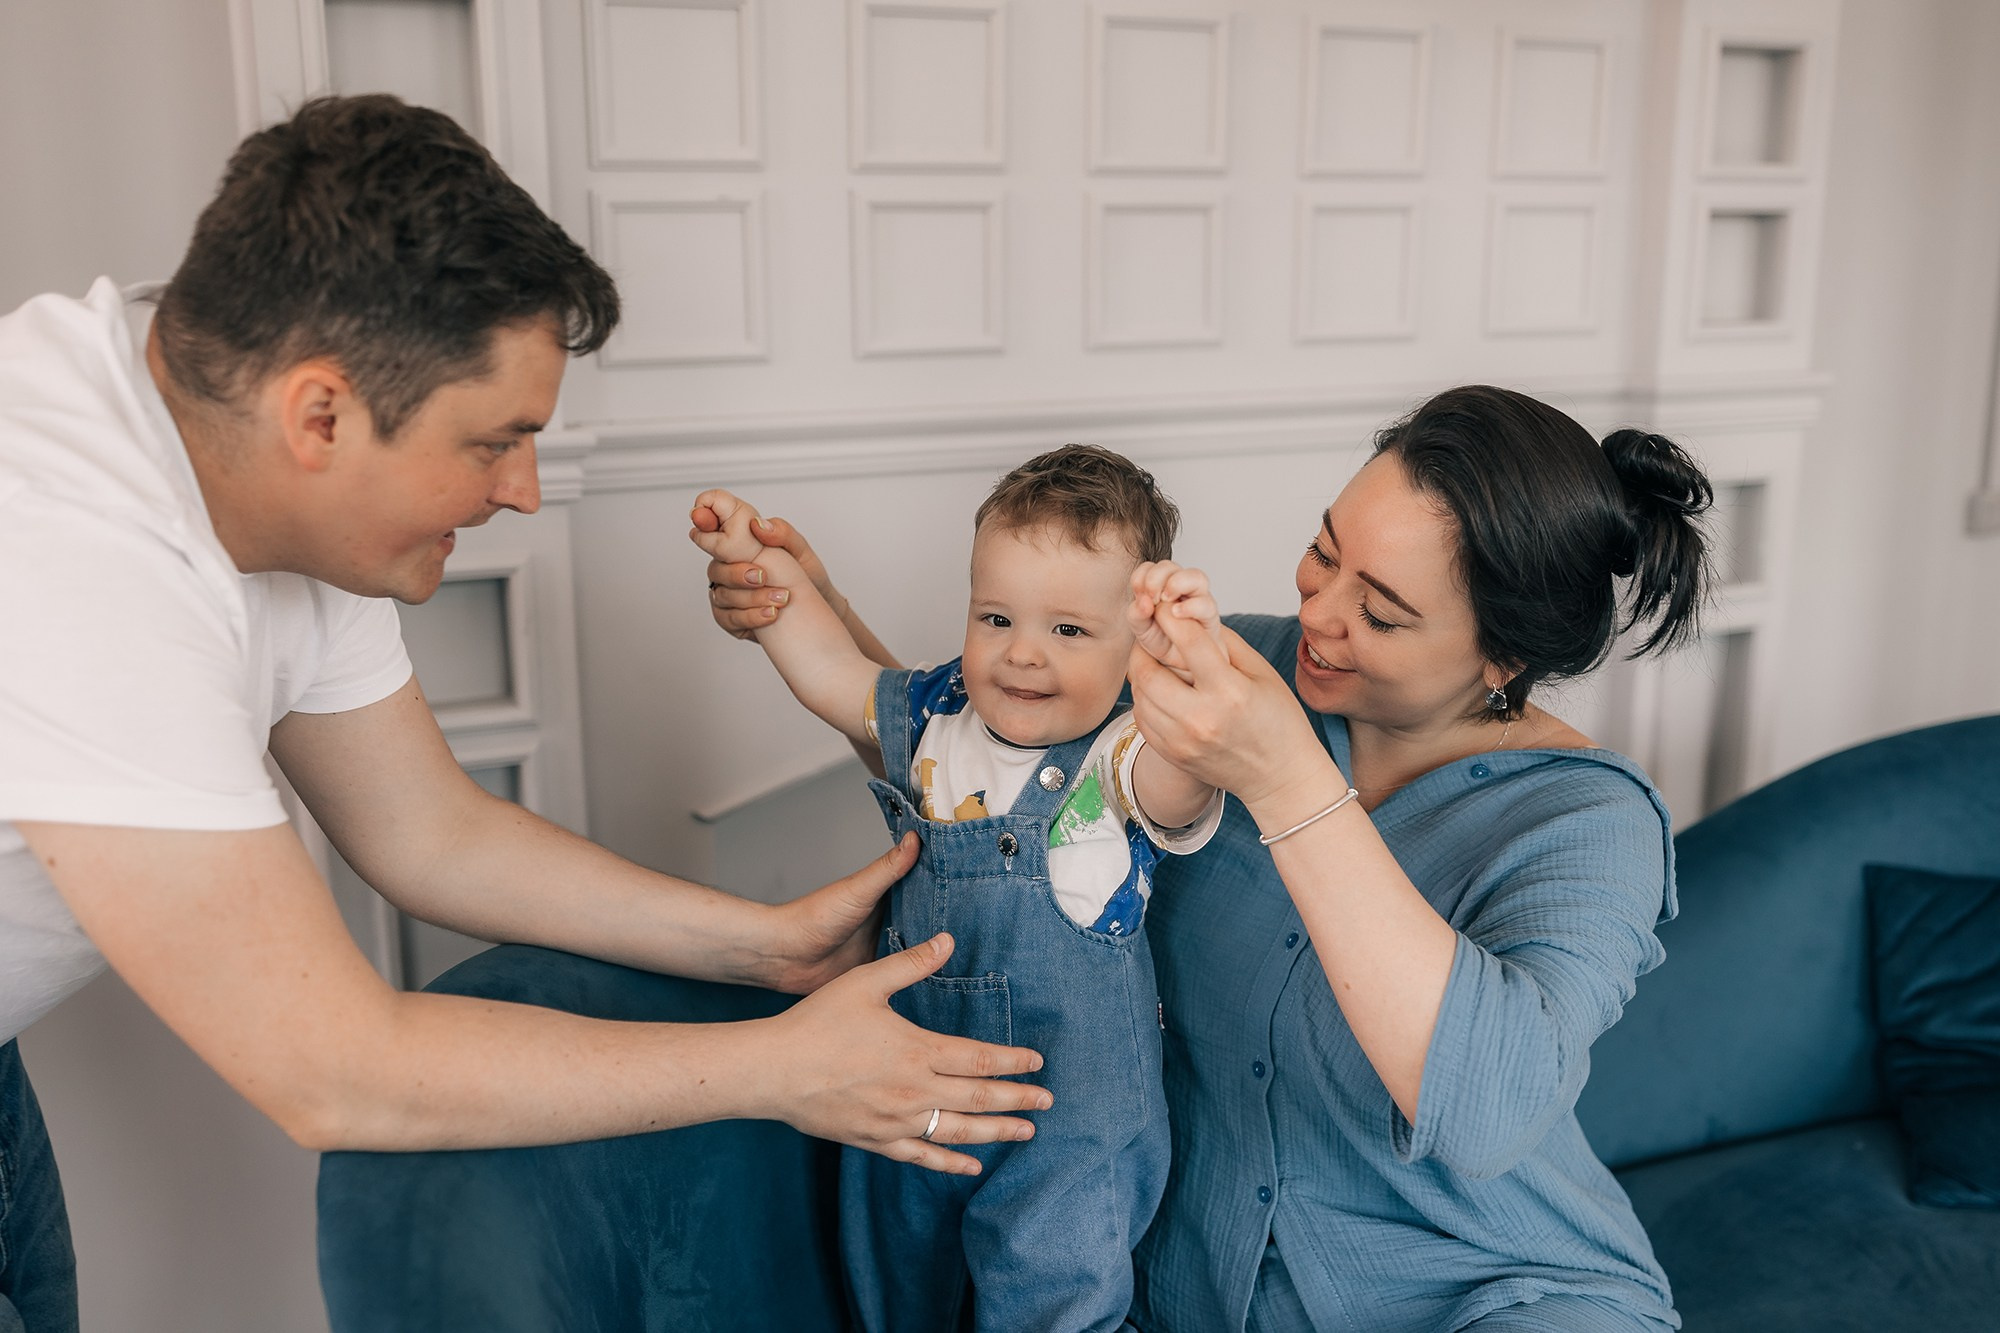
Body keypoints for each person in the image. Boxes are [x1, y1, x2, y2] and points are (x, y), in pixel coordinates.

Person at [0, 94, 1048, 1329]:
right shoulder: (69, 558)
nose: (525, 491)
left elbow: (426, 833)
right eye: (495, 441)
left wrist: (761, 946)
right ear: (321, 415)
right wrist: (782, 1070)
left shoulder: (257, 465)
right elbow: (333, 1072)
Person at [706, 384, 1712, 1331]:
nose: (1317, 613)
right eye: (1323, 554)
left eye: (1381, 612)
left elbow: (1490, 1109)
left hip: (1488, 1291)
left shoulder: (1585, 821)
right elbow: (998, 784)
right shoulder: (1229, 663)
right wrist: (816, 615)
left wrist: (1284, 782)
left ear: (1500, 660)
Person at [687, 444, 1224, 1333]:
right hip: (907, 1077)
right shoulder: (937, 714)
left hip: (1067, 1122)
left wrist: (1186, 668)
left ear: (1136, 648)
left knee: (1052, 1286)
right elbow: (829, 672)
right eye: (996, 617)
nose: (1022, 655)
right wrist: (764, 571)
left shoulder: (1125, 756)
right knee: (894, 1272)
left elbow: (1184, 783)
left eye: (1068, 630)